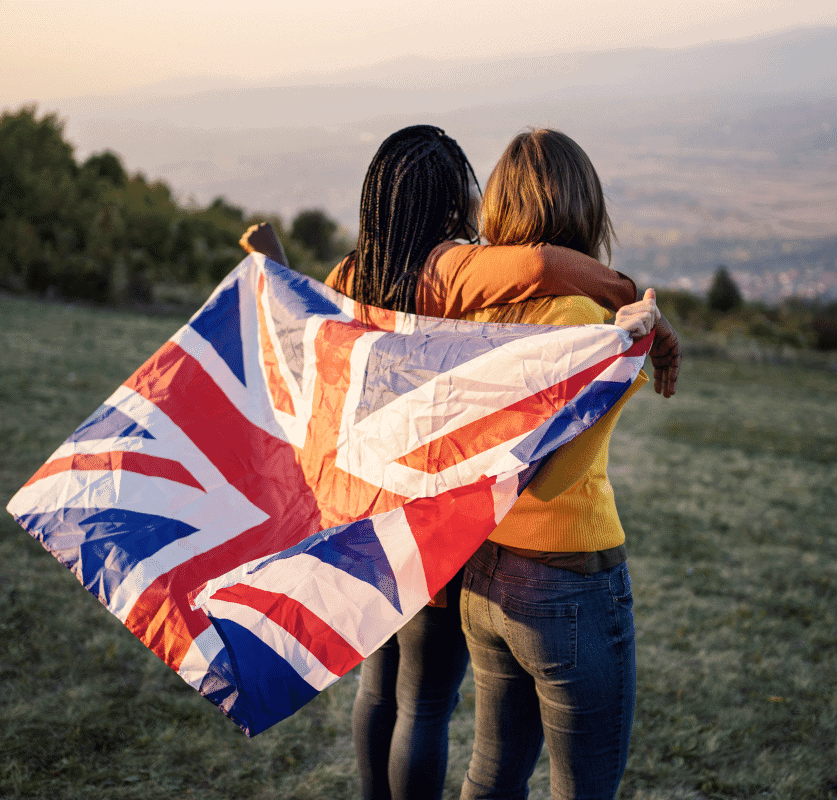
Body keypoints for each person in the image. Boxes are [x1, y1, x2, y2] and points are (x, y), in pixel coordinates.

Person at [240, 125, 674, 800]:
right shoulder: (461, 286)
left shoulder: (354, 277)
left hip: (364, 517)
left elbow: (312, 349)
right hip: (452, 537)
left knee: (396, 700)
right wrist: (624, 311)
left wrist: (274, 268)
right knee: (426, 707)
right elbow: (537, 272)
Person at [450, 128, 652, 800]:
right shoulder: (584, 320)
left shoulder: (470, 310)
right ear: (585, 208)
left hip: (482, 572)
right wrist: (629, 335)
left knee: (491, 774)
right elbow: (557, 468)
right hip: (567, 580)